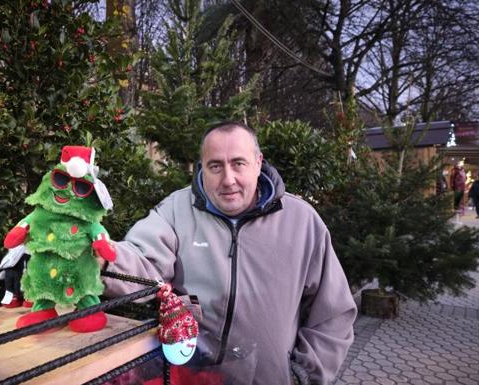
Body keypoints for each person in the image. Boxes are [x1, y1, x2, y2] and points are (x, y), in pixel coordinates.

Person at [101, 122, 357, 385]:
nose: (228, 179)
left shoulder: (302, 222)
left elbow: (333, 313)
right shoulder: (176, 211)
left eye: (238, 163)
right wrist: (102, 257)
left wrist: (303, 374)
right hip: (191, 377)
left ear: (258, 163)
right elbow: (143, 264)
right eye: (215, 166)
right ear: (202, 167)